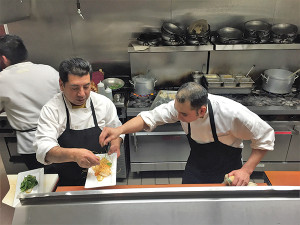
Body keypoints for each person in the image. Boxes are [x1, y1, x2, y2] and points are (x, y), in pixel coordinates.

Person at [100, 82, 275, 186]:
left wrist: (246, 170)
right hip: (196, 166)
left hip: (228, 169)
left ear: (202, 110)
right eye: (177, 111)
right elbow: (148, 118)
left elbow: (266, 136)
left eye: (183, 115)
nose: (178, 116)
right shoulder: (180, 108)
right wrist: (118, 130)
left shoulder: (233, 113)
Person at [34, 57, 124, 186]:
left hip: (100, 175)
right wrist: (74, 155)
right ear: (61, 85)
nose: (82, 94)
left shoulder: (103, 103)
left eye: (86, 87)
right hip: (66, 180)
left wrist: (116, 143)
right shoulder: (51, 110)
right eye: (74, 88)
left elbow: (116, 129)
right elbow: (44, 150)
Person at [0, 34, 60, 170]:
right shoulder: (49, 71)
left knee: (45, 185)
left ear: (3, 58)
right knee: (66, 180)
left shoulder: (1, 80)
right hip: (58, 137)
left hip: (31, 146)